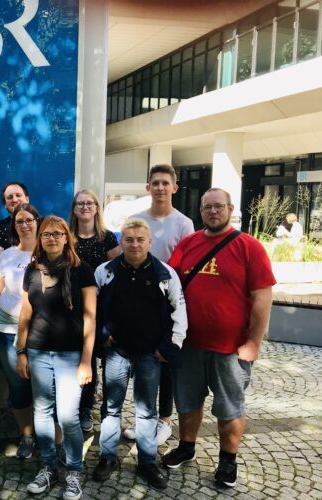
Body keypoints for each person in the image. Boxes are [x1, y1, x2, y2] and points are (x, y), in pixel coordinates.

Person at [164, 188, 275, 488]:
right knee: (187, 403)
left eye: (218, 206)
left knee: (229, 408)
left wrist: (253, 343)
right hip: (188, 345)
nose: (213, 212)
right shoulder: (188, 245)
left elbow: (263, 297)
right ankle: (186, 447)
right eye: (207, 207)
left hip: (230, 349)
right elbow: (170, 289)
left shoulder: (249, 247)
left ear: (230, 208)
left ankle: (228, 461)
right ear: (200, 211)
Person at [92, 218, 187, 489]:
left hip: (150, 354)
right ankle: (108, 457)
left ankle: (147, 462)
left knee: (147, 412)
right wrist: (101, 336)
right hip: (116, 353)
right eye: (129, 239)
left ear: (149, 242)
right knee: (111, 409)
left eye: (140, 239)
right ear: (121, 242)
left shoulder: (165, 274)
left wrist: (168, 348)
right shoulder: (104, 271)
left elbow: (179, 314)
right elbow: (93, 310)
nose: (134, 244)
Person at [17, 216, 97, 500]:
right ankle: (49, 466)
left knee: (68, 416)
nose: (51, 238)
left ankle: (74, 471)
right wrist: (21, 351)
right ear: (40, 239)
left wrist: (87, 360)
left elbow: (90, 319)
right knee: (42, 412)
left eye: (57, 234)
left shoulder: (82, 270)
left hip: (71, 355)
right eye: (46, 234)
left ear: (67, 238)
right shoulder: (32, 271)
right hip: (38, 351)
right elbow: (26, 315)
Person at [127, 163, 194, 445]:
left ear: (174, 188)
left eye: (166, 183)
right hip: (139, 301)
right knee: (140, 360)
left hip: (167, 300)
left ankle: (164, 421)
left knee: (165, 359)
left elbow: (187, 266)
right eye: (155, 183)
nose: (160, 188)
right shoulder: (137, 218)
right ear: (148, 188)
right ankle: (144, 416)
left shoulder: (183, 223)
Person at [0, 203, 38, 459]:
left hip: (42, 332)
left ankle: (46, 434)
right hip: (6, 330)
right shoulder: (7, 256)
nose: (24, 225)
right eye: (19, 221)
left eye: (29, 220)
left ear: (38, 221)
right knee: (18, 385)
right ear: (14, 226)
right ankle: (26, 434)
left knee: (44, 385)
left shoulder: (50, 252)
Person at [69, 189, 119, 432]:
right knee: (79, 357)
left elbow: (117, 274)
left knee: (100, 357)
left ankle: (94, 408)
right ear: (74, 208)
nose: (85, 207)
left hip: (102, 307)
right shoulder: (67, 236)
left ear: (97, 207)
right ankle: (78, 406)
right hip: (72, 307)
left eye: (90, 203)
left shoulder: (107, 238)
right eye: (80, 203)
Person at [0, 182, 30, 257]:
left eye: (18, 195)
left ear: (27, 199)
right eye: (10, 197)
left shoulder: (42, 223)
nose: (14, 200)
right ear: (5, 204)